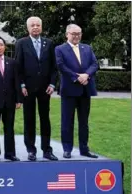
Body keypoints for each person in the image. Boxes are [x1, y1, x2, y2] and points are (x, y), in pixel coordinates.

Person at [14, 16, 58, 161]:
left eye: (38, 25)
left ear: (41, 27)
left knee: (45, 119)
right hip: (28, 88)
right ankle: (31, 150)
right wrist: (21, 85)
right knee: (29, 119)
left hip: (45, 89)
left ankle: (47, 150)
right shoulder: (21, 43)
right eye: (32, 25)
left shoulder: (49, 43)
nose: (35, 27)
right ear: (28, 28)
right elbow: (17, 67)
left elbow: (54, 67)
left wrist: (52, 84)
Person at [55, 24, 99, 159]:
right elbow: (61, 66)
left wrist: (86, 75)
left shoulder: (87, 48)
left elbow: (94, 64)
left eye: (79, 33)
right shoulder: (60, 49)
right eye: (73, 33)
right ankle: (67, 149)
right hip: (69, 90)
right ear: (67, 34)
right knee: (67, 121)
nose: (76, 36)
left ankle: (84, 149)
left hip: (85, 89)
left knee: (84, 122)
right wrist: (77, 77)